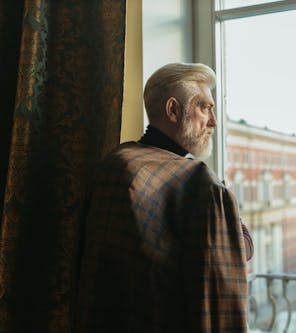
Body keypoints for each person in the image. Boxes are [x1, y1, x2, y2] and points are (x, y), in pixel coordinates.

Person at [74, 63, 252, 332]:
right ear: (173, 110)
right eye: (205, 108)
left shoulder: (112, 164)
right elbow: (236, 258)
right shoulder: (197, 182)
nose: (213, 121)